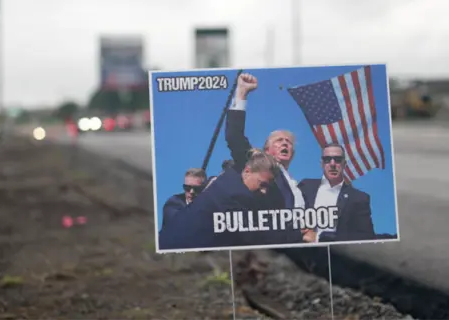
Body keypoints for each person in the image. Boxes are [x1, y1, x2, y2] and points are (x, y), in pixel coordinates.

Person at [225, 72, 305, 243]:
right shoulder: (259, 166)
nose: (285, 144)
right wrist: (241, 94)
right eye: (279, 141)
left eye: (288, 142)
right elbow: (234, 136)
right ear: (266, 149)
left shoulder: (297, 185)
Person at [159, 149, 284, 250]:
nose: (192, 192)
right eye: (187, 188)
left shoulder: (225, 191)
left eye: (198, 189)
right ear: (246, 172)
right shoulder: (231, 195)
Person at [298, 143, 376, 242]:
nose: (332, 164)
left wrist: (319, 237)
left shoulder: (359, 198)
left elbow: (367, 237)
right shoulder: (305, 186)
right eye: (327, 159)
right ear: (321, 163)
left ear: (345, 164)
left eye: (338, 160)